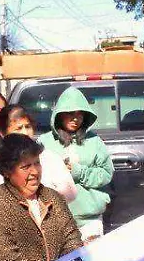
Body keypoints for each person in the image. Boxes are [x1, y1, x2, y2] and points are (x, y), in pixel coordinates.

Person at [39, 86, 115, 240]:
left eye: (80, 115)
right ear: (59, 114)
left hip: (89, 220)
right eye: (70, 114)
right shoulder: (44, 141)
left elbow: (106, 173)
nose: (75, 119)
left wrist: (78, 172)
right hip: (54, 219)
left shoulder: (94, 141)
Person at [0, 104, 77, 202]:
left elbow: (70, 192)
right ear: (2, 132)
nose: (25, 132)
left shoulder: (49, 156)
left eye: (28, 126)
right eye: (19, 128)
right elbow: (7, 194)